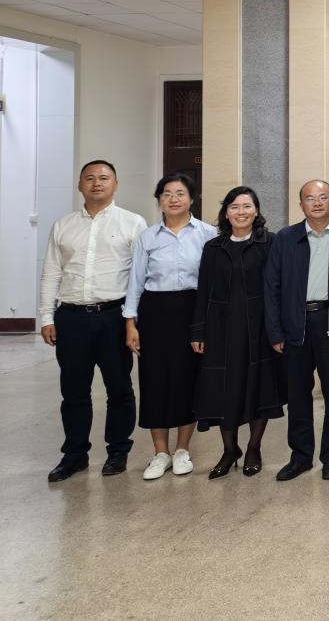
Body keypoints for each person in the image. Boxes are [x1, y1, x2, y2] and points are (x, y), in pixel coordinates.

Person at [41, 160, 147, 482]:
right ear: (80, 185)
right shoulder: (64, 225)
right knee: (73, 390)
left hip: (114, 317)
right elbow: (52, 272)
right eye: (90, 178)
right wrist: (46, 316)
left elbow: (139, 277)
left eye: (103, 178)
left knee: (119, 388)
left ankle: (118, 450)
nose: (96, 183)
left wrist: (133, 321)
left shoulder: (133, 223)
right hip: (71, 317)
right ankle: (75, 454)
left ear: (116, 183)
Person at [265, 180, 329, 482]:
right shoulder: (286, 238)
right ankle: (300, 457)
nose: (317, 203)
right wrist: (275, 331)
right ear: (301, 205)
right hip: (295, 324)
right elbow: (272, 287)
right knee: (297, 395)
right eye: (310, 198)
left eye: (323, 197)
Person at [124, 173, 217, 481]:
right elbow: (135, 282)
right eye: (166, 194)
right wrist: (130, 323)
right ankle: (160, 453)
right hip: (154, 313)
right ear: (159, 200)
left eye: (180, 193)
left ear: (192, 199)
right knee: (154, 380)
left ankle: (182, 450)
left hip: (193, 311)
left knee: (187, 379)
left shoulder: (208, 234)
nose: (173, 199)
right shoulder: (147, 237)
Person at [191, 186, 286, 479]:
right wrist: (198, 331)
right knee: (224, 389)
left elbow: (279, 287)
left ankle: (254, 447)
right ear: (226, 213)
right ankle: (230, 449)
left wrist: (278, 329)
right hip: (220, 330)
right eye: (234, 206)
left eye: (247, 206)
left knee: (259, 386)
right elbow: (203, 291)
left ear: (256, 211)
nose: (241, 212)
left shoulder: (270, 242)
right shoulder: (213, 247)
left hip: (259, 328)